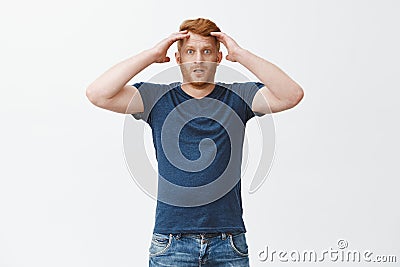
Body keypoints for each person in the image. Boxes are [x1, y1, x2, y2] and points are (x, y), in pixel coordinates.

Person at [86, 18, 303, 266]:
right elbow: (98, 93)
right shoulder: (157, 98)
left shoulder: (238, 97)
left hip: (228, 242)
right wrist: (151, 54)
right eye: (190, 51)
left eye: (206, 51)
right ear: (178, 58)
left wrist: (241, 54)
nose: (198, 59)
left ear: (218, 58)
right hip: (171, 242)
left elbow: (292, 94)